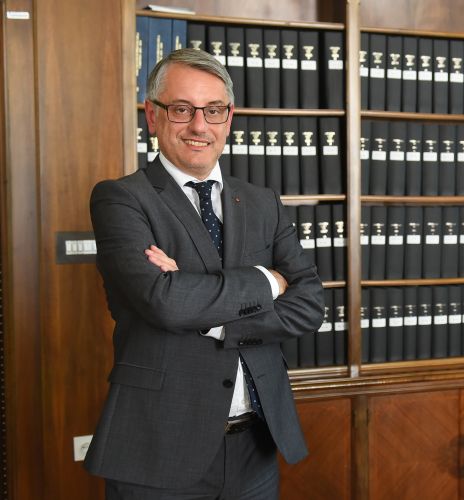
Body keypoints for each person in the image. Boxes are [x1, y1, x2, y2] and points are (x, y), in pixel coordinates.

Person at [85, 48, 323, 499]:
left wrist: (210, 315)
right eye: (182, 109)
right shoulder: (121, 199)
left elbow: (310, 304)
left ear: (229, 118)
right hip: (158, 446)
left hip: (255, 446)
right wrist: (268, 281)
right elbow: (164, 302)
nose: (199, 125)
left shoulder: (262, 202)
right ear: (152, 116)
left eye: (213, 110)